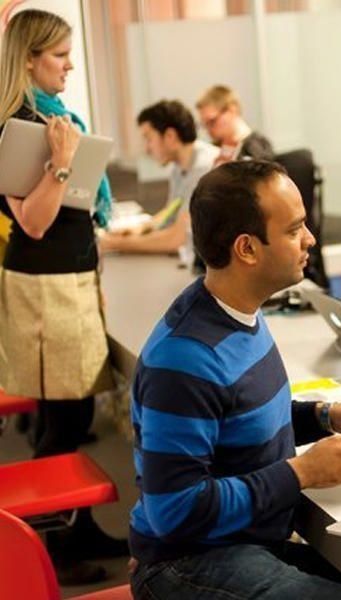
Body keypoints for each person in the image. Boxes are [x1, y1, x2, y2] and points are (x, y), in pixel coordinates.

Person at [129, 160, 341, 599]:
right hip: (186, 561)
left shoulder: (238, 311)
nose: (310, 239)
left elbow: (237, 420)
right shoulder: (184, 358)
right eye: (294, 230)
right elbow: (173, 511)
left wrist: (326, 417)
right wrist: (303, 472)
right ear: (247, 249)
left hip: (244, 543)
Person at [0, 8, 126, 584]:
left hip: (69, 279)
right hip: (43, 285)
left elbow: (75, 211)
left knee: (73, 410)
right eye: (60, 55)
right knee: (65, 415)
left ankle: (75, 528)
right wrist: (62, 164)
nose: (70, 65)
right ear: (29, 60)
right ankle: (53, 544)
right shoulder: (17, 128)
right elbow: (33, 222)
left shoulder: (55, 119)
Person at [99, 100, 218, 254]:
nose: (147, 149)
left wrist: (112, 243)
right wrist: (141, 229)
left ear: (170, 136)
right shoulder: (179, 168)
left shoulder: (204, 168)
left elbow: (177, 238)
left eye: (149, 139)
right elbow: (170, 213)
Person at [196, 84, 274, 165]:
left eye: (212, 121)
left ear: (232, 110)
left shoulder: (256, 148)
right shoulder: (213, 149)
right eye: (204, 124)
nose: (208, 129)